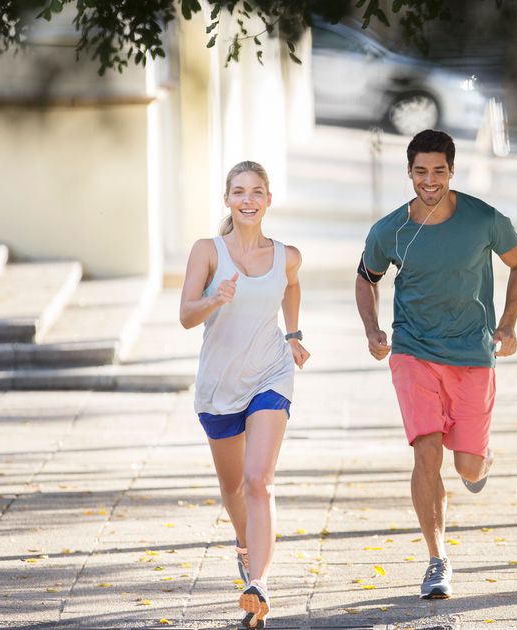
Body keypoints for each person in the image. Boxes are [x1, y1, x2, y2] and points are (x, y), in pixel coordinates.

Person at [355, 129, 517, 599]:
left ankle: (481, 461)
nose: (429, 180)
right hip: (413, 350)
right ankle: (437, 560)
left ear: (451, 171)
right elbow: (365, 277)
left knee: (468, 467)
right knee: (426, 453)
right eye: (420, 171)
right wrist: (373, 329)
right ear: (409, 173)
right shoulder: (390, 230)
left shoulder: (483, 220)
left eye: (438, 171)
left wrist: (509, 324)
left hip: (473, 354)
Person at [179, 161, 309, 629]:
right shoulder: (208, 251)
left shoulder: (286, 254)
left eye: (257, 192)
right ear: (228, 200)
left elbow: (291, 284)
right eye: (239, 192)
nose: (248, 200)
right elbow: (186, 315)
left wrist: (292, 334)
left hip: (270, 375)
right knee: (233, 487)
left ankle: (260, 583)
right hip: (218, 385)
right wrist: (215, 299)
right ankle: (244, 543)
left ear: (269, 199)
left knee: (259, 480)